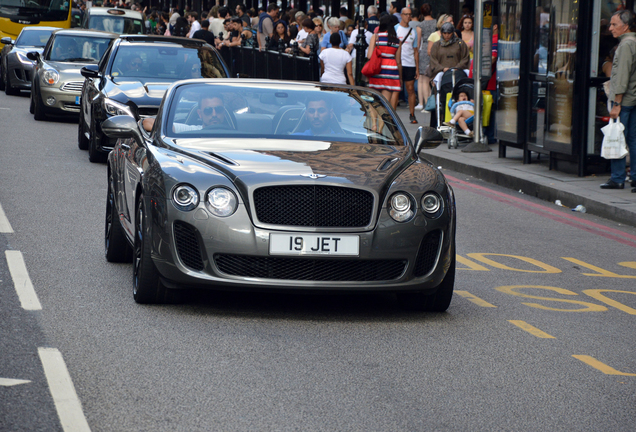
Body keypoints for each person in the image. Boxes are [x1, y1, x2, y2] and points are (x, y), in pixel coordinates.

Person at [602, 10, 636, 192]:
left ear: (626, 26)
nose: (610, 28)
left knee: (617, 138)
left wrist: (616, 104)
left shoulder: (625, 45)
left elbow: (622, 77)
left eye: (614, 24)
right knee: (633, 139)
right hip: (634, 99)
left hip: (624, 101)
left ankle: (617, 178)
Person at [367, 15, 402, 109]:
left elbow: (369, 55)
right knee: (385, 102)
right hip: (391, 70)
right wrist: (400, 78)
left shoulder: (376, 37)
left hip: (377, 69)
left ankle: (374, 123)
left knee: (374, 100)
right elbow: (398, 61)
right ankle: (383, 123)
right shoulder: (397, 40)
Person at [396, 7, 419, 123]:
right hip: (398, 63)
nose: (408, 17)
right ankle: (393, 116)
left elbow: (416, 51)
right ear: (401, 15)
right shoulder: (396, 28)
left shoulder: (413, 31)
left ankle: (412, 114)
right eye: (405, 14)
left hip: (409, 63)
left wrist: (417, 69)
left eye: (410, 14)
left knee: (410, 89)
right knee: (396, 90)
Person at [415, 4, 436, 112]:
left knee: (422, 79)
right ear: (431, 12)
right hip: (434, 50)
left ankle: (423, 103)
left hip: (423, 51)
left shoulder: (420, 25)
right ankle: (428, 103)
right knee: (429, 79)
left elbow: (418, 43)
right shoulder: (436, 23)